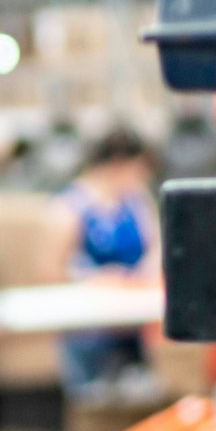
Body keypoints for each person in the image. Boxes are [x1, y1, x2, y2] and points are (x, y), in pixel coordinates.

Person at [47, 126, 162, 398]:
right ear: (118, 165)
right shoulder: (69, 208)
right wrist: (95, 280)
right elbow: (51, 271)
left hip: (134, 320)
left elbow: (156, 245)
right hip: (90, 328)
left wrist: (144, 271)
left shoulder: (137, 201)